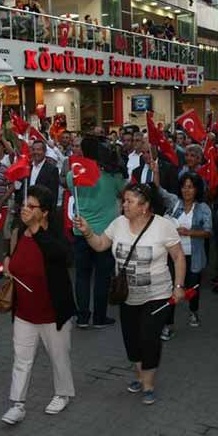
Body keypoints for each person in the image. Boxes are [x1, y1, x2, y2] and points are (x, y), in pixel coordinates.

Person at [74, 183, 186, 405]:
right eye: (123, 201)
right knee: (131, 339)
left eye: (129, 201)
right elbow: (99, 245)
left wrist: (179, 286)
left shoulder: (163, 226)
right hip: (126, 295)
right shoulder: (118, 224)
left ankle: (148, 383)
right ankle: (139, 375)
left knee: (149, 338)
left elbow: (179, 257)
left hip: (157, 294)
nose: (124, 205)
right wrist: (87, 231)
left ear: (144, 207)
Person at [1, 186, 76, 424]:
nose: (25, 209)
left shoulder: (53, 236)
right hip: (24, 311)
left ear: (43, 213)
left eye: (31, 206)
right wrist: (8, 265)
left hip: (52, 312)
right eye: (24, 205)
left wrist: (35, 229)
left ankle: (62, 394)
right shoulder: (19, 232)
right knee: (21, 358)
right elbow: (13, 259)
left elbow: (62, 256)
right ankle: (17, 403)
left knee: (58, 356)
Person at [69, 135, 126, 329]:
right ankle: (100, 318)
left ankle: (83, 317)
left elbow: (71, 189)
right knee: (102, 277)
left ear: (83, 151)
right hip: (105, 234)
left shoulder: (73, 175)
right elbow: (125, 190)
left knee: (82, 276)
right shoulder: (112, 176)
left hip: (80, 232)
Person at [160, 173, 211, 340]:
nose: (186, 190)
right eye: (184, 186)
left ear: (197, 189)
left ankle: (193, 311)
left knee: (192, 288)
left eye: (190, 187)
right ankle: (168, 324)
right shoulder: (175, 203)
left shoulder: (203, 208)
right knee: (172, 289)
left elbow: (208, 232)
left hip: (194, 256)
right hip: (175, 256)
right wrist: (155, 171)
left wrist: (189, 232)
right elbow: (159, 191)